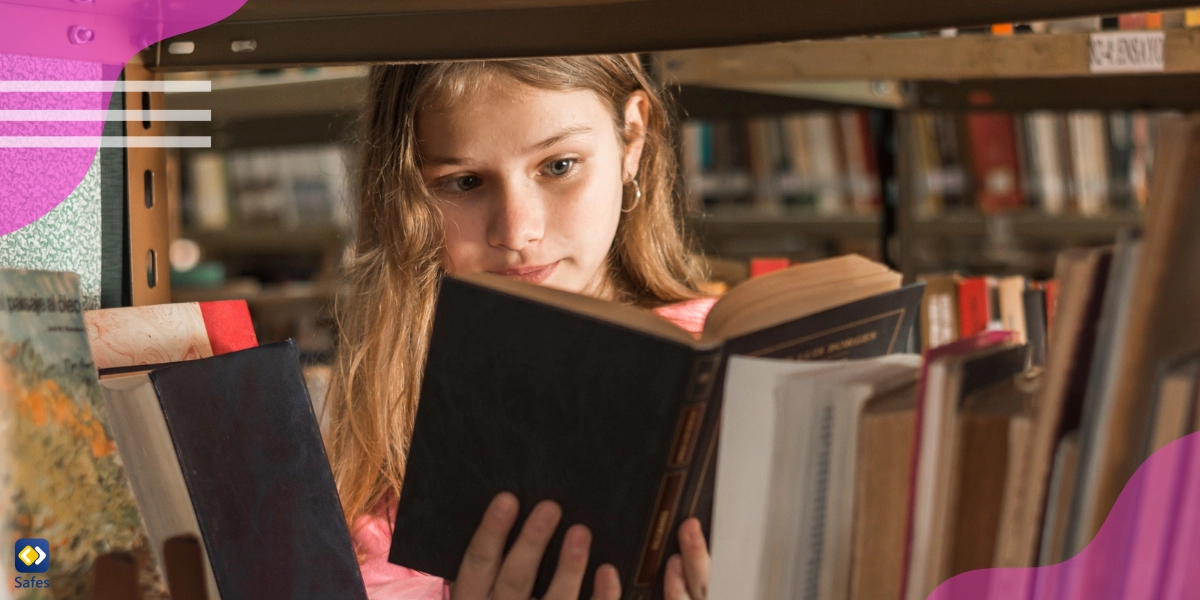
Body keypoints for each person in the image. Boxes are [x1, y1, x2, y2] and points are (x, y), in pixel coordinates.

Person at [325, 54, 717, 600]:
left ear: (632, 137)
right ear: (404, 196)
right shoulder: (384, 425)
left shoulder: (720, 356)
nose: (517, 230)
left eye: (559, 166)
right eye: (463, 182)